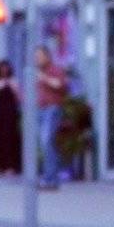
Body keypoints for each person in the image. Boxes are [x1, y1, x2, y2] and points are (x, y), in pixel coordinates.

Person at [35, 46, 67, 190]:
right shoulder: (37, 72)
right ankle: (49, 177)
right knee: (45, 144)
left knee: (47, 141)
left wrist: (45, 78)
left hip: (52, 109)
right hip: (40, 110)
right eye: (36, 56)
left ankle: (50, 178)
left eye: (40, 56)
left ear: (47, 57)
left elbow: (61, 85)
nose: (37, 59)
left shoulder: (55, 70)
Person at [0, 59, 22, 175]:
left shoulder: (13, 81)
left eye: (6, 68)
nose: (4, 70)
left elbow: (18, 97)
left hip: (10, 113)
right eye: (2, 68)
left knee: (10, 138)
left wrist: (12, 87)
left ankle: (11, 166)